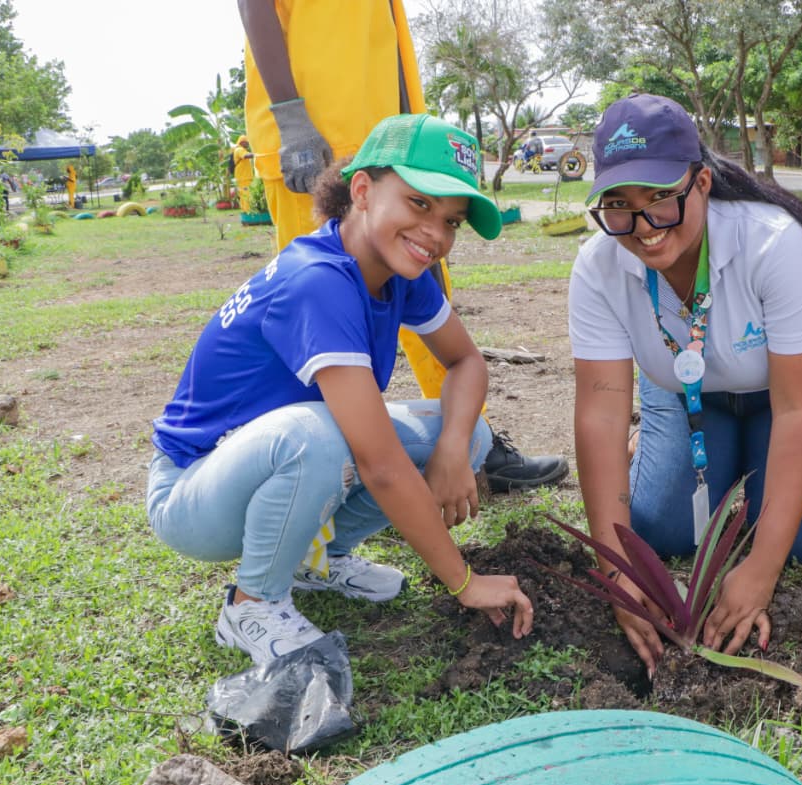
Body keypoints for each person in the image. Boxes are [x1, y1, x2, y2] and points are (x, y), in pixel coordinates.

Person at [147, 114, 534, 665]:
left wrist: (452, 450)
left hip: (270, 460)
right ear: (362, 191)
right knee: (321, 434)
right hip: (192, 491)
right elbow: (380, 464)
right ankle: (251, 603)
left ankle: (316, 560)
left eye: (451, 220)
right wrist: (464, 581)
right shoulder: (318, 281)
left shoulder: (402, 272)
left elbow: (466, 361)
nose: (435, 233)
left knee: (468, 432)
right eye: (419, 203)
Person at [569, 94, 802, 673]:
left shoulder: (773, 244)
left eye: (662, 200)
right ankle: (684, 446)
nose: (645, 226)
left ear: (701, 182)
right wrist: (618, 575)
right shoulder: (598, 267)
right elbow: (601, 414)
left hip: (796, 389)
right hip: (687, 386)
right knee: (662, 530)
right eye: (619, 206)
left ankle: (742, 463)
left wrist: (758, 571)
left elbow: (800, 411)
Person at [239, 0, 567, 494]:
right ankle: (320, 473)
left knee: (424, 285)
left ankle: (469, 446)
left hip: (391, 143)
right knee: (322, 318)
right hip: (317, 138)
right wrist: (289, 116)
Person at [232, 134, 255, 213]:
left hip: (243, 177)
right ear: (242, 142)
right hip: (244, 177)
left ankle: (244, 210)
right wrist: (257, 154)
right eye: (246, 142)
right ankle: (248, 210)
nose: (248, 144)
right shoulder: (239, 150)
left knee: (243, 194)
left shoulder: (239, 149)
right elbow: (246, 156)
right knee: (246, 194)